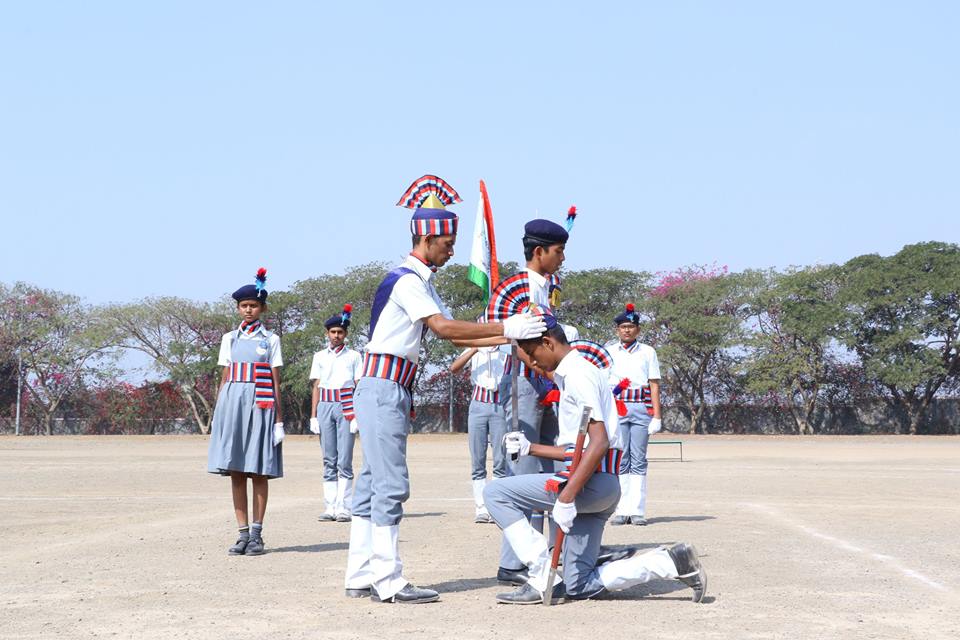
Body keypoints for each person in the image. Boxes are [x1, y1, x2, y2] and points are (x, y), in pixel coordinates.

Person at [344, 175, 547, 604]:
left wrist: (510, 336)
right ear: (426, 238)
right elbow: (446, 329)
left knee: (370, 484)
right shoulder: (406, 280)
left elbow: (461, 338)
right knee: (391, 484)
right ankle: (389, 580)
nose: (452, 250)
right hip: (383, 385)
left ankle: (361, 573)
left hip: (389, 385)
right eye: (447, 242)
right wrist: (507, 326)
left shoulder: (421, 281)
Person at [484, 306, 706, 605]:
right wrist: (530, 448)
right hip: (599, 484)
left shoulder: (578, 375)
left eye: (533, 353)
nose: (533, 362)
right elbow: (577, 449)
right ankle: (671, 562)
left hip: (588, 485)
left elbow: (599, 443)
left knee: (496, 492)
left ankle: (538, 574)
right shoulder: (573, 372)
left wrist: (565, 499)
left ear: (549, 342)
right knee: (579, 584)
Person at [487, 218, 576, 587]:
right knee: (524, 473)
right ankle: (516, 561)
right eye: (558, 252)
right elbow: (520, 344)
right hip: (526, 383)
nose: (562, 258)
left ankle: (542, 552)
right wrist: (547, 373)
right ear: (539, 252)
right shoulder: (518, 287)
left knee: (549, 470)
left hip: (547, 381)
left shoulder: (546, 287)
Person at [207, 268, 285, 557]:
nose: (248, 310)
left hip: (261, 405)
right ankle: (240, 534)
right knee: (236, 470)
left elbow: (276, 380)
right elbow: (225, 376)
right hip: (233, 404)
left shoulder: (271, 340)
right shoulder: (229, 338)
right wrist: (218, 412)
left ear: (262, 308)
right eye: (243, 306)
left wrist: (278, 418)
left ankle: (257, 534)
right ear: (238, 308)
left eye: (253, 305)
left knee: (259, 470)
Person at [607, 303, 662, 526]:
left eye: (631, 326)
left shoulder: (648, 352)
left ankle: (637, 510)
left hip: (640, 407)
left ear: (637, 329)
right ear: (617, 330)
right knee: (621, 459)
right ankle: (621, 510)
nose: (627, 330)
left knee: (638, 459)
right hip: (617, 406)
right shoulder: (609, 351)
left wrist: (657, 416)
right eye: (623, 327)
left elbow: (654, 384)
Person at [309, 304, 363, 523]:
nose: (336, 335)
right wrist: (313, 415)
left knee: (345, 458)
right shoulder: (320, 356)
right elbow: (316, 386)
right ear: (327, 333)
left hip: (346, 405)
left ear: (346, 334)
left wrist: (357, 414)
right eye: (333, 332)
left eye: (340, 332)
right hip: (325, 404)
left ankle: (344, 506)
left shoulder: (354, 356)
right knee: (328, 458)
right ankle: (330, 505)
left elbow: (359, 385)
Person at [450, 339, 510, 523]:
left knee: (500, 459)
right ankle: (481, 508)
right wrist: (475, 348)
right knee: (478, 459)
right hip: (478, 404)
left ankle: (495, 507)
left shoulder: (506, 351)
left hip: (500, 404)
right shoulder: (474, 350)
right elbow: (454, 368)